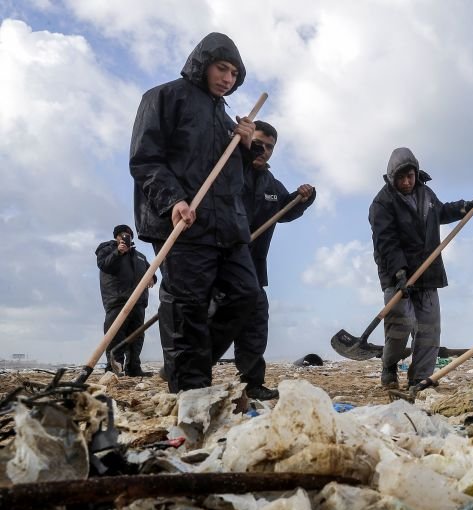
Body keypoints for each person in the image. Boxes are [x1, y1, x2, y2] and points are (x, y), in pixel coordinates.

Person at [129, 32, 260, 393]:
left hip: (227, 227)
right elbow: (145, 159)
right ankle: (190, 389)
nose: (227, 79)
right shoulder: (163, 97)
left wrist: (245, 148)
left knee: (244, 295)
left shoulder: (225, 117)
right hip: (182, 221)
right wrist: (173, 200)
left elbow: (233, 179)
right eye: (222, 68)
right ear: (203, 64)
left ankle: (188, 367)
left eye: (234, 73)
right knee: (187, 307)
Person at [369, 147, 473, 388]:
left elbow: (441, 212)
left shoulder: (426, 193)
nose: (406, 182)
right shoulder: (382, 203)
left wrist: (466, 207)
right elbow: (386, 242)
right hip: (397, 275)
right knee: (400, 326)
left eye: (410, 176)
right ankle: (389, 367)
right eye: (401, 178)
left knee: (429, 330)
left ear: (416, 173)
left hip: (428, 272)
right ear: (392, 177)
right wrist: (400, 272)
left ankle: (419, 378)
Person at [231, 120, 316, 401]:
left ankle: (252, 382)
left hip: (254, 268)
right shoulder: (228, 170)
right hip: (221, 262)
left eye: (269, 147)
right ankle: (187, 374)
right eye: (258, 143)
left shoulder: (271, 183)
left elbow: (286, 209)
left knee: (256, 321)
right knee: (210, 322)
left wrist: (303, 198)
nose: (263, 150)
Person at [95, 225, 155, 376]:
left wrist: (152, 278)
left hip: (139, 302)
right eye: (122, 234)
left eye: (128, 234)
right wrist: (118, 252)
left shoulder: (140, 256)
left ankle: (134, 368)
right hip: (117, 300)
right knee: (116, 336)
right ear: (116, 236)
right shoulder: (107, 249)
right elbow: (104, 265)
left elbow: (151, 272)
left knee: (137, 336)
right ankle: (114, 369)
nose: (125, 237)